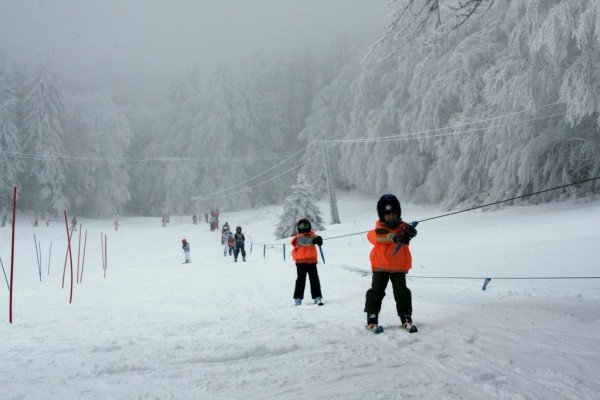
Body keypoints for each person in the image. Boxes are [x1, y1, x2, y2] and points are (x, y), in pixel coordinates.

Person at [364, 194, 418, 333]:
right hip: (380, 267)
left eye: (394, 214)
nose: (391, 217)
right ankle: (372, 318)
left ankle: (405, 317)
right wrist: (393, 237)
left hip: (398, 268)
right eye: (387, 215)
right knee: (376, 292)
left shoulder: (403, 228)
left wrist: (409, 232)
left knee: (402, 293)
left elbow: (406, 232)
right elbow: (378, 236)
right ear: (382, 216)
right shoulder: (378, 229)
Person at [291, 218, 324, 306]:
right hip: (301, 262)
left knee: (314, 279)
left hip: (312, 261)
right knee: (301, 280)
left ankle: (317, 297)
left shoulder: (313, 235)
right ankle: (298, 298)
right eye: (301, 226)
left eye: (305, 225)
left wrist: (319, 240)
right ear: (298, 227)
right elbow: (304, 242)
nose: (303, 228)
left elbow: (316, 240)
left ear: (309, 226)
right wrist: (314, 240)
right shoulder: (297, 238)